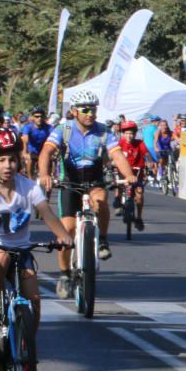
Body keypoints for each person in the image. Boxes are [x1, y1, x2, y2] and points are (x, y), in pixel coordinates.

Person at [37, 90, 138, 297]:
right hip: (70, 184)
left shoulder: (103, 132)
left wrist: (128, 175)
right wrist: (45, 174)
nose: (90, 114)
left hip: (94, 182)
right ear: (74, 111)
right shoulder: (63, 130)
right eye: (86, 109)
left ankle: (102, 239)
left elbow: (117, 156)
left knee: (101, 201)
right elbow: (46, 152)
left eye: (93, 109)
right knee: (66, 230)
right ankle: (65, 274)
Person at [0, 128, 72, 339]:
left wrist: (63, 236)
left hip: (21, 252)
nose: (7, 166)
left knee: (34, 299)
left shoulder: (29, 187)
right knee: (1, 256)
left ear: (18, 162)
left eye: (12, 160)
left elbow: (47, 214)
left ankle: (27, 351)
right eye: (1, 160)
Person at [117, 121, 151, 230]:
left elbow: (146, 154)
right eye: (126, 133)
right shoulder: (120, 143)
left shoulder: (139, 143)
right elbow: (113, 155)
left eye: (131, 133)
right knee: (118, 185)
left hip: (137, 173)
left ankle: (139, 218)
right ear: (123, 134)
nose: (129, 136)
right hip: (123, 172)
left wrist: (150, 162)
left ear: (135, 134)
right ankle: (118, 201)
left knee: (139, 195)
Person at [19, 106, 54, 179]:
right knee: (30, 159)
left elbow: (53, 139)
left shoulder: (49, 127)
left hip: (44, 150)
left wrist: (53, 152)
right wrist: (25, 152)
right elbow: (25, 139)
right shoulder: (28, 127)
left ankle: (49, 178)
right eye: (37, 116)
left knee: (50, 160)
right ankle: (30, 179)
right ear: (32, 117)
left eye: (41, 116)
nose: (39, 118)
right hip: (33, 150)